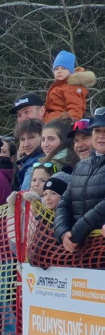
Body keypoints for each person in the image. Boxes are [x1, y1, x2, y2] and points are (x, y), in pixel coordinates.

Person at [53, 108, 105, 253]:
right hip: (78, 251)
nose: (101, 136)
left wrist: (76, 233)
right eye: (97, 131)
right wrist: (62, 232)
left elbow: (102, 208)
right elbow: (64, 202)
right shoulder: (81, 165)